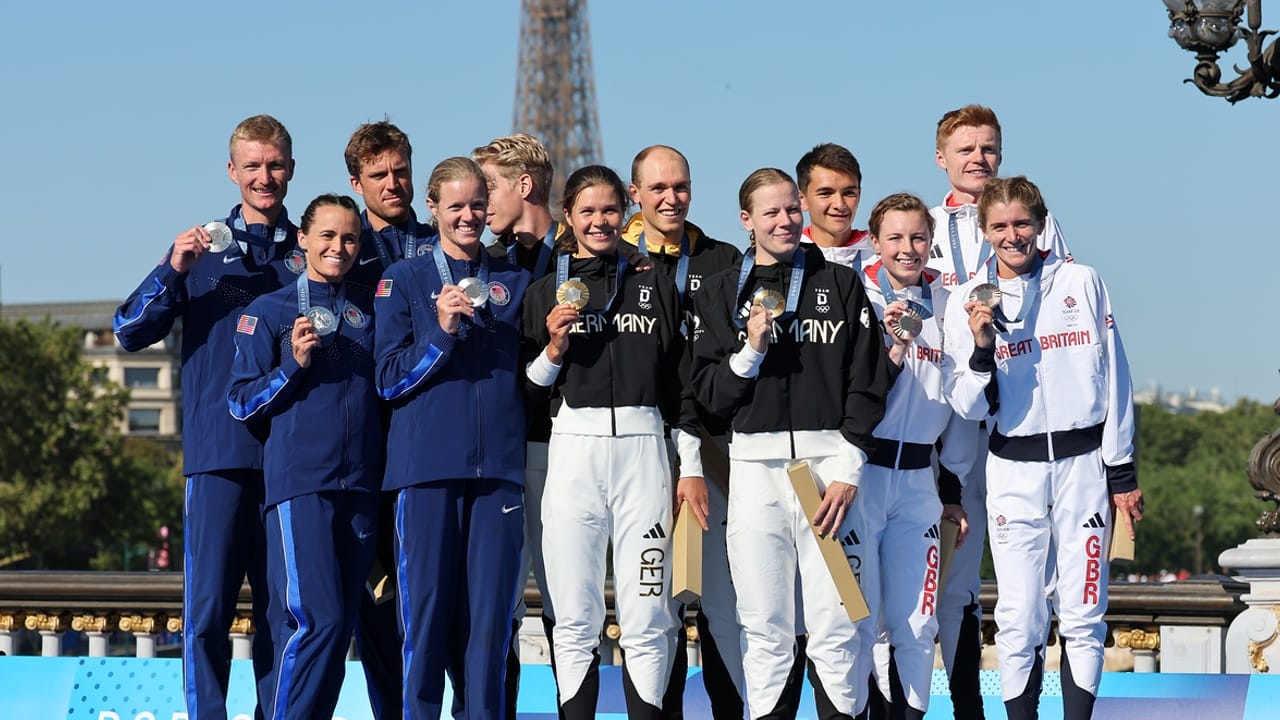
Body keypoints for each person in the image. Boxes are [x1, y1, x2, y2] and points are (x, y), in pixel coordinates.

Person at [113, 114, 299, 720]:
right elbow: (127, 331)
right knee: (208, 613)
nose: (264, 177)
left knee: (284, 614)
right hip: (219, 457)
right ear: (232, 172)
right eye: (253, 166)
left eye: (274, 165)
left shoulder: (310, 254)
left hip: (292, 462)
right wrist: (172, 267)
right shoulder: (200, 253)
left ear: (291, 169)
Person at [690, 168, 890, 720]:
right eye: (770, 212)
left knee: (837, 621)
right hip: (755, 474)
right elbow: (708, 395)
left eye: (790, 210)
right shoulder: (724, 290)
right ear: (745, 220)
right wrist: (749, 351)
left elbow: (867, 381)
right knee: (764, 624)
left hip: (829, 475)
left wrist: (850, 465)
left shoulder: (841, 283)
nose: (784, 221)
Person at [942, 176, 1141, 720]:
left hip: (1083, 467)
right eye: (1000, 226)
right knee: (1019, 613)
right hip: (1014, 468)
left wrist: (1122, 471)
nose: (1013, 236)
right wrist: (983, 349)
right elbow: (965, 404)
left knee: (1083, 611)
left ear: (1041, 223)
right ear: (984, 232)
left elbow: (1117, 377)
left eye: (1022, 223)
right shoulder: (967, 300)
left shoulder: (1082, 281)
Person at [522, 164, 698, 720]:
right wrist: (552, 349)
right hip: (573, 450)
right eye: (587, 211)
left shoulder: (656, 284)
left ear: (626, 210)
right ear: (567, 218)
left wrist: (689, 465)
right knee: (574, 617)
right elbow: (527, 392)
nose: (600, 221)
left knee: (648, 618)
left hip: (645, 450)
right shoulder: (544, 291)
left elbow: (681, 386)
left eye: (609, 210)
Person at [926, 104, 1072, 720]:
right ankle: (966, 709)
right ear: (942, 157)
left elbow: (1066, 301)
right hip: (952, 420)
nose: (978, 158)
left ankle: (1029, 706)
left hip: (1024, 417)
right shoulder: (921, 227)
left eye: (988, 148)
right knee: (954, 574)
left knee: (1034, 579)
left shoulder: (1034, 223)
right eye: (966, 149)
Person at [373, 157, 530, 720]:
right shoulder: (405, 280)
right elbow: (387, 379)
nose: (467, 216)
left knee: (490, 622)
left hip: (499, 474)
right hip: (425, 473)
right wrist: (439, 335)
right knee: (426, 619)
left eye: (476, 205)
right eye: (455, 205)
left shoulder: (514, 280)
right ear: (433, 208)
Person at [227, 194, 382, 720]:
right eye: (328, 236)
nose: (338, 247)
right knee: (317, 620)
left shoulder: (369, 310)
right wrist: (292, 366)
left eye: (349, 238)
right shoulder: (267, 312)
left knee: (338, 638)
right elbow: (240, 401)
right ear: (304, 239)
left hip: (360, 488)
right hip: (301, 487)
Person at [621, 144, 744, 720]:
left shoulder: (723, 260)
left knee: (724, 600)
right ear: (634, 194)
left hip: (715, 454)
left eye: (682, 187)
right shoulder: (610, 261)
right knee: (656, 603)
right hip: (643, 449)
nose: (671, 199)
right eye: (659, 188)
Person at [850, 193, 977, 720]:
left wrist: (951, 492)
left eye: (919, 238)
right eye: (895, 238)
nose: (908, 249)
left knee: (918, 621)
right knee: (864, 620)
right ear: (874, 242)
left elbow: (961, 406)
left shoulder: (950, 304)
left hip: (920, 481)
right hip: (863, 477)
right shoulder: (857, 296)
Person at [472, 133, 569, 720]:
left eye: (487, 187)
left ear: (524, 185)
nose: (477, 202)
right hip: (507, 449)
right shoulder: (487, 265)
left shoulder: (586, 257)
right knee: (499, 603)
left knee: (569, 605)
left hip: (572, 448)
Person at [344, 118, 434, 720]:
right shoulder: (344, 251)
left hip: (429, 442)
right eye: (378, 175)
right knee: (375, 604)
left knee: (430, 603)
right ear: (357, 182)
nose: (393, 183)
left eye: (400, 170)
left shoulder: (445, 242)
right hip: (363, 444)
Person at [796, 143, 874, 269]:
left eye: (849, 193)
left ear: (859, 196)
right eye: (826, 193)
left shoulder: (882, 255)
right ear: (802, 200)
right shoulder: (787, 255)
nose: (839, 204)